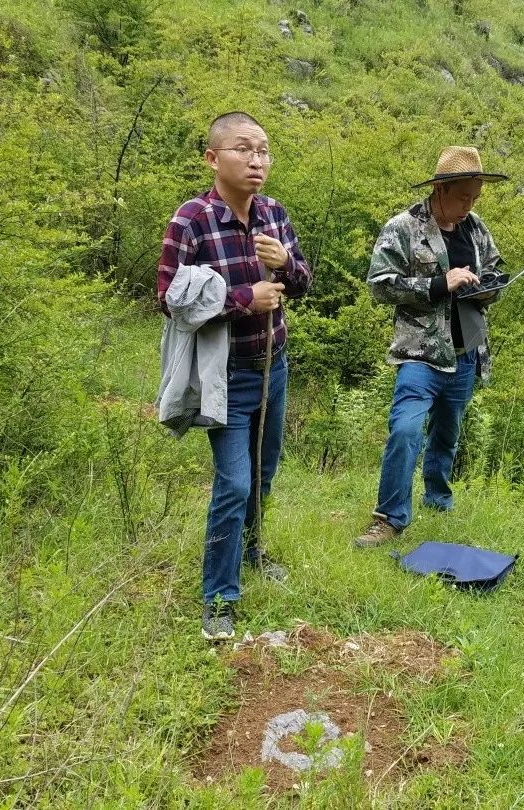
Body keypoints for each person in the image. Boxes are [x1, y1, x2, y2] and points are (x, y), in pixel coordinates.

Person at [157, 111, 312, 640]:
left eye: (264, 150)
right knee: (233, 484)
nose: (257, 160)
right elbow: (168, 299)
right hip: (224, 374)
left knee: (262, 476)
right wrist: (245, 298)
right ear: (213, 157)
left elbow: (305, 281)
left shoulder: (273, 214)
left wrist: (286, 263)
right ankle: (219, 597)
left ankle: (251, 552)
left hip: (275, 367)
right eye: (243, 149)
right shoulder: (191, 221)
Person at [355, 146, 508, 548]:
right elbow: (380, 285)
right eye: (463, 197)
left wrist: (491, 288)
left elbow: (494, 267)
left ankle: (437, 499)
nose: (469, 205)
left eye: (475, 198)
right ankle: (389, 519)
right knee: (405, 429)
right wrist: (441, 283)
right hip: (420, 353)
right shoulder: (403, 227)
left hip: (466, 350)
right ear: (441, 189)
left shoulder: (475, 228)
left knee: (448, 431)